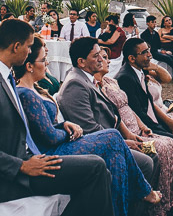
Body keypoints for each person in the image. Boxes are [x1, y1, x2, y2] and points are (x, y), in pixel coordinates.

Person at [0, 18, 114, 216]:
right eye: (28, 47)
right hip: (11, 177)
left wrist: (60, 128)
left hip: (31, 159)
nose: (28, 53)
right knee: (96, 168)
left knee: (100, 170)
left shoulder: (2, 75)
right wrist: (22, 166)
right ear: (16, 46)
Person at [16, 37, 159, 215]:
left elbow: (46, 124)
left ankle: (120, 209)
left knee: (115, 151)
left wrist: (64, 124)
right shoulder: (26, 93)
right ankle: (143, 192)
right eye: (44, 60)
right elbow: (49, 136)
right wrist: (70, 132)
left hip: (58, 144)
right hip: (49, 152)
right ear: (29, 66)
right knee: (112, 139)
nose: (47, 63)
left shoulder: (36, 89)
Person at [86, 42, 173, 216]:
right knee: (165, 146)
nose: (105, 61)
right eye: (100, 58)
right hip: (129, 133)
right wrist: (130, 134)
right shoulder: (110, 82)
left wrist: (143, 126)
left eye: (106, 57)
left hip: (139, 126)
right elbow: (113, 116)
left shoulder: (111, 81)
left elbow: (132, 109)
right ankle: (161, 202)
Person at [53, 39, 161, 190]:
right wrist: (123, 142)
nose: (101, 59)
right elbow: (88, 128)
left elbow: (110, 113)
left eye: (101, 55)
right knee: (147, 162)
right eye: (96, 56)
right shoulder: (75, 85)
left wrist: (128, 135)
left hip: (110, 136)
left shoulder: (87, 79)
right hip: (97, 145)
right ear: (81, 62)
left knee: (153, 154)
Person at [113, 38, 173, 163]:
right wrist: (160, 129)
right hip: (145, 127)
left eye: (149, 51)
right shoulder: (125, 78)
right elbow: (137, 112)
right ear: (132, 58)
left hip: (155, 121)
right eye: (145, 52)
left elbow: (149, 102)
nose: (150, 55)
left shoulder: (140, 71)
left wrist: (168, 122)